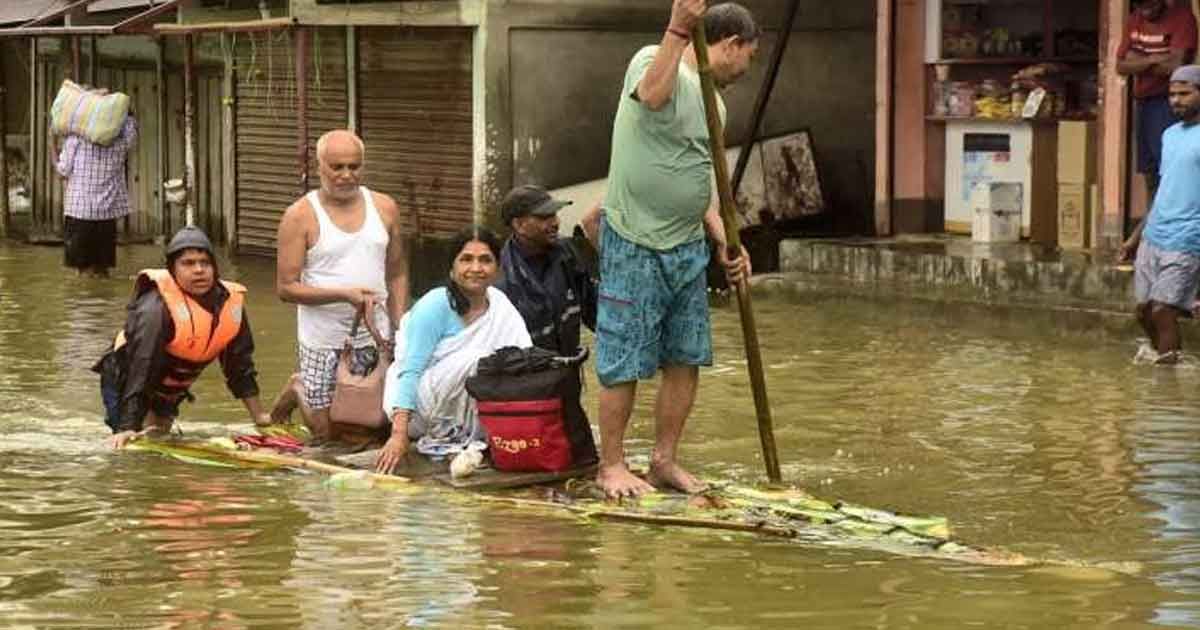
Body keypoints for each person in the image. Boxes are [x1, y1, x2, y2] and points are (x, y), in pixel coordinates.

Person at [594, 1, 755, 498]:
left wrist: (725, 236)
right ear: (729, 45)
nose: (748, 68)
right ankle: (612, 465)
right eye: (749, 54)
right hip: (635, 238)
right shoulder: (651, 59)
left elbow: (701, 179)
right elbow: (652, 95)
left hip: (687, 245)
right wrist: (677, 29)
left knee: (685, 356)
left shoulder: (716, 103)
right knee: (623, 357)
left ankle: (663, 460)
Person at [273, 130, 410, 441]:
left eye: (354, 166)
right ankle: (298, 387)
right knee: (326, 433)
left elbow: (398, 270)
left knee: (372, 423)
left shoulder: (385, 207)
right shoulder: (299, 216)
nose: (347, 175)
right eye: (337, 167)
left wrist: (401, 323)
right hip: (323, 337)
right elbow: (286, 288)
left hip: (375, 331)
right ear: (319, 166)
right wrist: (343, 295)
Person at [94, 226, 272, 449]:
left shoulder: (229, 304)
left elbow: (240, 365)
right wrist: (128, 425)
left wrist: (260, 417)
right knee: (134, 446)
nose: (199, 270)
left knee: (159, 437)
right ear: (173, 270)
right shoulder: (155, 310)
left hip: (172, 384)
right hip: (128, 379)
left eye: (205, 263)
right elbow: (142, 366)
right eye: (188, 263)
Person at [375, 227, 532, 475]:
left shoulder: (501, 305)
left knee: (511, 363)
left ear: (497, 268)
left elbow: (525, 359)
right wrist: (398, 435)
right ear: (452, 268)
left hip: (473, 408)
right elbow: (410, 371)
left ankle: (480, 434)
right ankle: (446, 439)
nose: (476, 268)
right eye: (466, 259)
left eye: (485, 260)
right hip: (419, 408)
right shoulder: (435, 305)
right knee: (478, 359)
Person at [494, 185, 600, 465]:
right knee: (532, 463)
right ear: (518, 224)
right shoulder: (500, 277)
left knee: (584, 461)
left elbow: (594, 310)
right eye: (543, 217)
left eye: (554, 214)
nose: (554, 222)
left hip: (567, 382)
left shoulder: (567, 254)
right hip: (524, 393)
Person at [1117, 0, 1198, 261]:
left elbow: (1177, 66)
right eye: (1140, 5)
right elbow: (1121, 65)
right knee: (1152, 175)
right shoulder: (1135, 18)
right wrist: (1156, 58)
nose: (1145, 10)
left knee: (1173, 174)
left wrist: (1139, 61)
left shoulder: (1182, 17)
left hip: (1166, 103)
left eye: (1150, 4)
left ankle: (1156, 238)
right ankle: (1147, 237)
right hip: (1145, 103)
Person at [1132, 65, 1200, 364]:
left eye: (1185, 93)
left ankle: (1167, 388)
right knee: (1143, 312)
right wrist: (1134, 236)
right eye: (1172, 94)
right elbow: (1163, 188)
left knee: (1163, 311)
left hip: (1187, 238)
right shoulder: (1170, 135)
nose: (1176, 100)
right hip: (1154, 235)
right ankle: (1169, 361)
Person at [55, 112, 137, 278]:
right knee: (102, 271)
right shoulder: (120, 143)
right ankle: (103, 302)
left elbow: (62, 171)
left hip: (79, 212)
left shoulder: (75, 140)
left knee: (82, 273)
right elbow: (131, 127)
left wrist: (51, 145)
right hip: (106, 214)